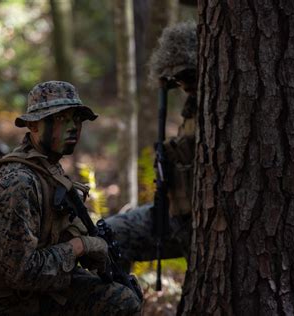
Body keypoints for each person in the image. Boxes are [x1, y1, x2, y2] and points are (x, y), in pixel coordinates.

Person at [0, 81, 142, 316]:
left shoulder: (46, 168)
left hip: (23, 295)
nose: (73, 127)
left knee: (122, 294)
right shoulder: (18, 183)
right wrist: (79, 247)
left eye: (76, 118)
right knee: (122, 304)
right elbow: (22, 274)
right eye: (60, 119)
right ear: (33, 126)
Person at [106, 21, 197, 270]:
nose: (183, 83)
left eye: (188, 75)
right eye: (177, 78)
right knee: (107, 234)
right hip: (175, 214)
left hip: (197, 223)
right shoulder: (192, 109)